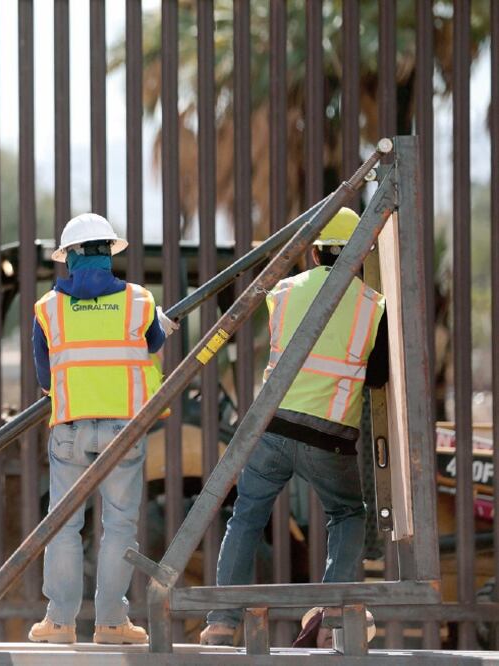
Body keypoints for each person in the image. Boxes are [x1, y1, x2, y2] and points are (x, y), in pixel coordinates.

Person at [199, 207, 388, 647]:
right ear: (359, 255)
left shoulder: (283, 291)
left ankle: (222, 620)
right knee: (347, 514)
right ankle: (330, 620)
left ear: (315, 252)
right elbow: (378, 376)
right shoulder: (372, 306)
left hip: (275, 427)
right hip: (330, 437)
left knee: (246, 515)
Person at [27, 213, 179, 645]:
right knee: (118, 527)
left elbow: (45, 378)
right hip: (123, 433)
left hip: (71, 430)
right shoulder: (139, 301)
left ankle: (59, 622)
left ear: (69, 259)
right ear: (109, 254)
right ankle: (112, 622)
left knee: (64, 526)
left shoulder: (47, 309)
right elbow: (153, 342)